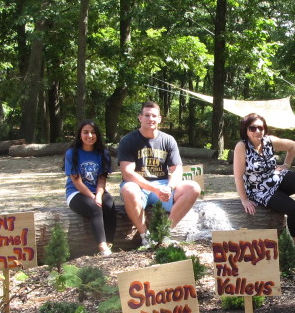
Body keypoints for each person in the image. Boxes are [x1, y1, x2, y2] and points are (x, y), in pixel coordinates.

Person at [233, 112, 295, 252]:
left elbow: (293, 146)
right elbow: (238, 176)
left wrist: (286, 165)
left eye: (260, 128)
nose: (257, 131)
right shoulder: (242, 146)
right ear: (246, 130)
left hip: (274, 178)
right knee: (294, 209)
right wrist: (244, 200)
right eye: (252, 128)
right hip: (258, 190)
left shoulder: (269, 140)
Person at [117, 101, 201, 248]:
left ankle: (164, 233)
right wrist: (153, 189)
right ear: (140, 117)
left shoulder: (168, 140)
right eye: (147, 115)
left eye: (154, 116)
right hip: (138, 186)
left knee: (193, 187)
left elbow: (177, 169)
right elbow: (127, 173)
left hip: (162, 185)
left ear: (160, 119)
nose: (151, 119)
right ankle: (145, 236)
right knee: (128, 188)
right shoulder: (128, 140)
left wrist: (169, 187)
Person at [64, 120, 116, 256]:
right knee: (95, 208)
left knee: (109, 204)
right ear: (80, 135)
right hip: (76, 193)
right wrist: (93, 198)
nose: (90, 136)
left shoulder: (103, 153)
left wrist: (98, 195)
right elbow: (77, 182)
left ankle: (110, 243)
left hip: (97, 190)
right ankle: (103, 248)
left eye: (93, 132)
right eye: (85, 132)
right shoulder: (72, 153)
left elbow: (102, 179)